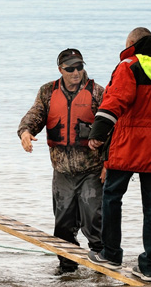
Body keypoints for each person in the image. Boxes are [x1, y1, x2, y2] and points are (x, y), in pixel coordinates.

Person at [86, 28, 151, 283]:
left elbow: (115, 100)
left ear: (132, 43)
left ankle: (111, 254)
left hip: (129, 143)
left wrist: (98, 133)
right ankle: (148, 267)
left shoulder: (129, 66)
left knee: (112, 196)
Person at [18, 48, 105, 275]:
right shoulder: (47, 91)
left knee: (93, 219)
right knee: (63, 224)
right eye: (70, 69)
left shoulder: (97, 92)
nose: (76, 72)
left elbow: (112, 129)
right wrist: (25, 132)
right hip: (62, 171)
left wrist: (108, 164)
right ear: (60, 70)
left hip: (91, 170)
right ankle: (67, 267)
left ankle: (103, 265)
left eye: (79, 67)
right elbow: (35, 115)